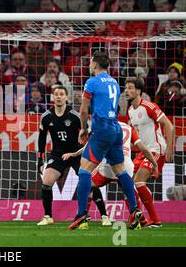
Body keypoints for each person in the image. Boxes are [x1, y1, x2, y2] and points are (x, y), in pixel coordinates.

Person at [68, 51, 142, 230]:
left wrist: (83, 129)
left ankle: (81, 214)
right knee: (121, 171)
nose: (89, 65)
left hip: (101, 129)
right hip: (115, 128)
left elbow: (84, 110)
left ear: (94, 64)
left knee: (84, 170)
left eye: (90, 62)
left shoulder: (91, 82)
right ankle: (134, 210)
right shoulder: (115, 82)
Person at [36, 86, 110, 227]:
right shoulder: (46, 117)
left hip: (77, 153)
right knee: (46, 182)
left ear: (66, 97)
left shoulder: (74, 116)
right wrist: (40, 159)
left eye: (61, 94)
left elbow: (88, 136)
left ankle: (104, 216)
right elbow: (41, 139)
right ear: (53, 97)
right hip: (58, 154)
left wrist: (88, 154)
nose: (58, 96)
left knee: (90, 183)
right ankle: (48, 217)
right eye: (56, 94)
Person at [63, 121, 159, 227]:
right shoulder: (128, 127)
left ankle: (83, 219)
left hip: (107, 167)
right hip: (126, 165)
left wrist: (75, 154)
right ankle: (140, 220)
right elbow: (142, 148)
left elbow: (90, 146)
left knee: (88, 184)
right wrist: (154, 164)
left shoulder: (103, 125)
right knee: (128, 191)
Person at [126, 77, 175, 228]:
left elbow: (169, 125)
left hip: (156, 148)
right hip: (144, 151)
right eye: (126, 88)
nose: (127, 91)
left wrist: (170, 149)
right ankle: (140, 220)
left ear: (138, 91)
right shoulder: (130, 111)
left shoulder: (148, 106)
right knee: (127, 183)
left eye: (130, 88)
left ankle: (156, 220)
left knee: (139, 181)